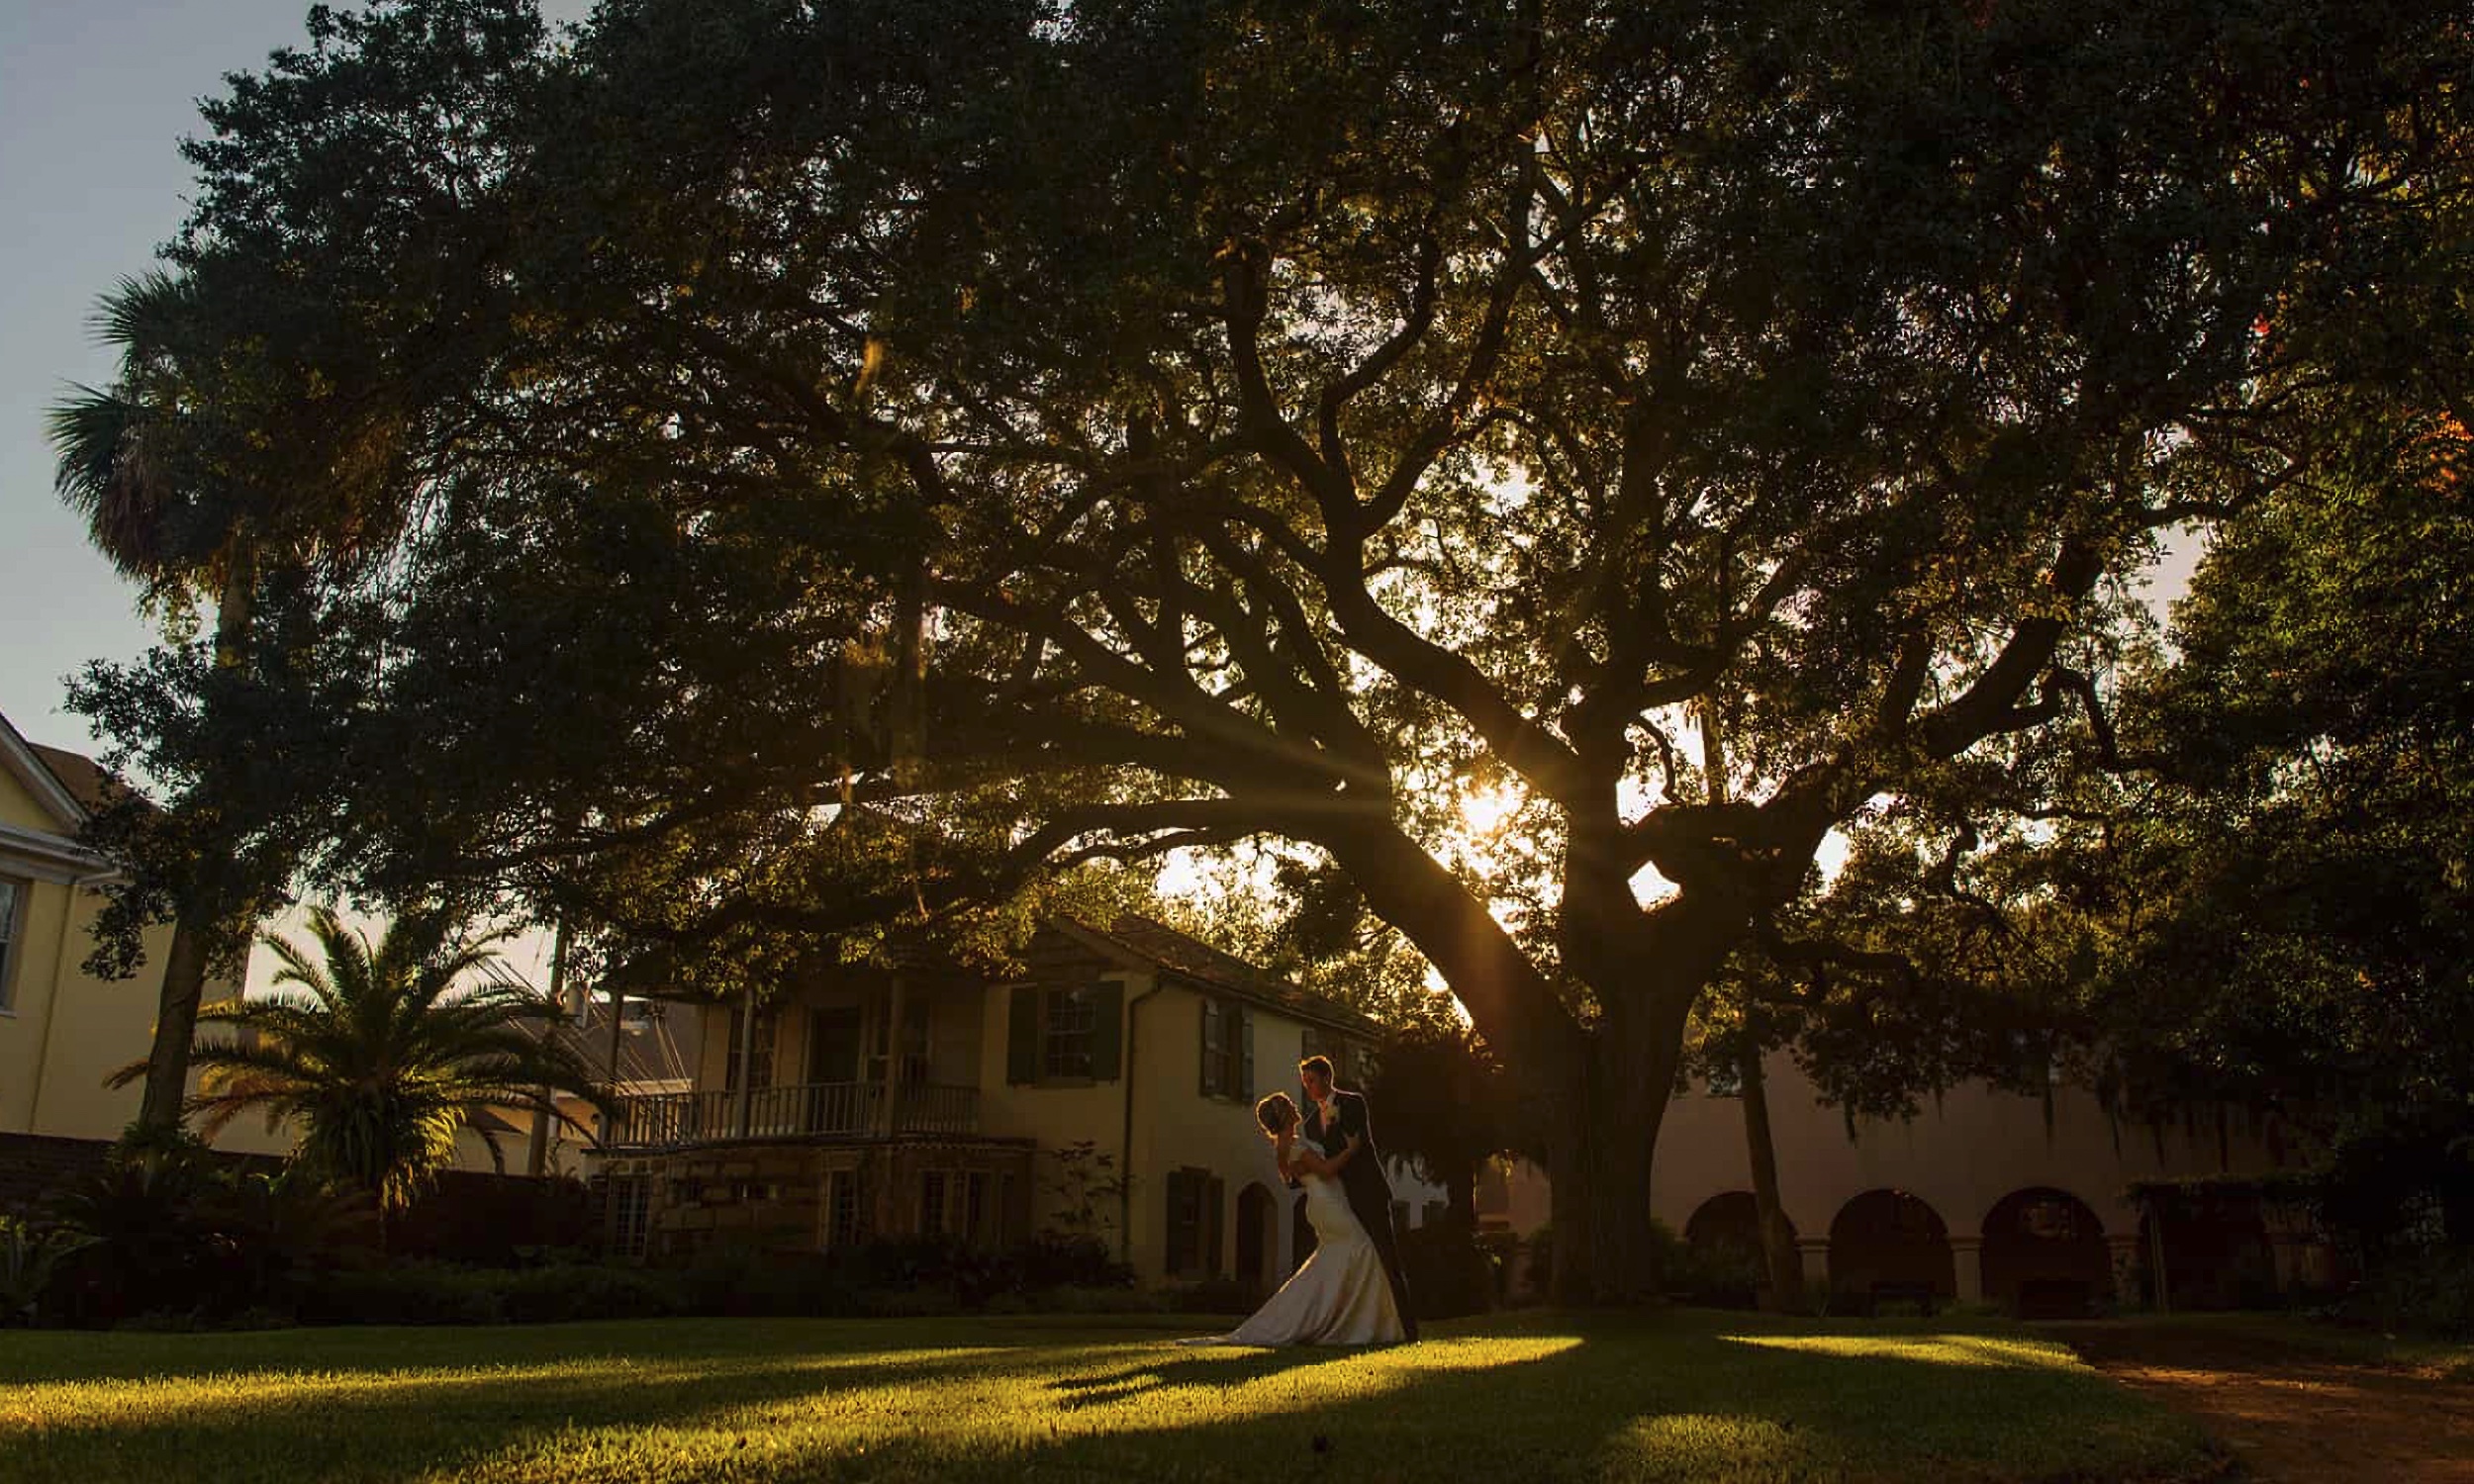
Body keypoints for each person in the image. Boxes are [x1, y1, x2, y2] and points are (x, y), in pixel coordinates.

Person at [1180, 1090, 1405, 1346]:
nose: (1295, 1105)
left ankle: (1345, 1317)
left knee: (1337, 1258)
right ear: (1285, 1115)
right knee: (1362, 1249)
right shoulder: (1295, 1146)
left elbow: (1292, 1176)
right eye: (1289, 1104)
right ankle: (1355, 1322)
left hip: (1325, 1202)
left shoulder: (1286, 1146)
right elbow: (1327, 1170)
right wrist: (1352, 1149)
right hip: (1329, 1204)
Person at [1297, 1053, 1417, 1341]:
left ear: (1327, 1078)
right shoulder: (1312, 1124)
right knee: (1354, 1264)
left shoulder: (1352, 1103)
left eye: (1312, 1080)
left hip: (1368, 1192)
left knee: (1387, 1259)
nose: (1308, 1086)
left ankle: (1408, 1330)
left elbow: (1357, 1143)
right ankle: (1360, 1326)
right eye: (1304, 1082)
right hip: (1339, 1200)